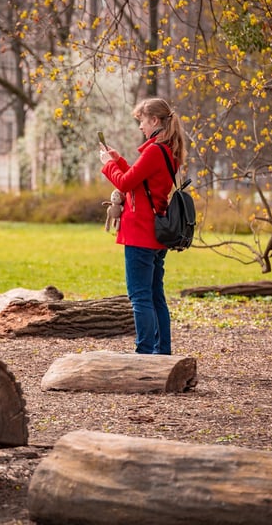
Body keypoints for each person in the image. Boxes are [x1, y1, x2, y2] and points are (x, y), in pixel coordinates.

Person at [99, 97, 187, 355]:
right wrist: (117, 159)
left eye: (142, 121)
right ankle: (162, 351)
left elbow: (125, 184)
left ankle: (144, 352)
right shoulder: (168, 152)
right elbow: (141, 181)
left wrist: (107, 165)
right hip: (157, 234)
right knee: (155, 296)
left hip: (140, 233)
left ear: (155, 121)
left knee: (140, 297)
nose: (140, 127)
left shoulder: (153, 151)